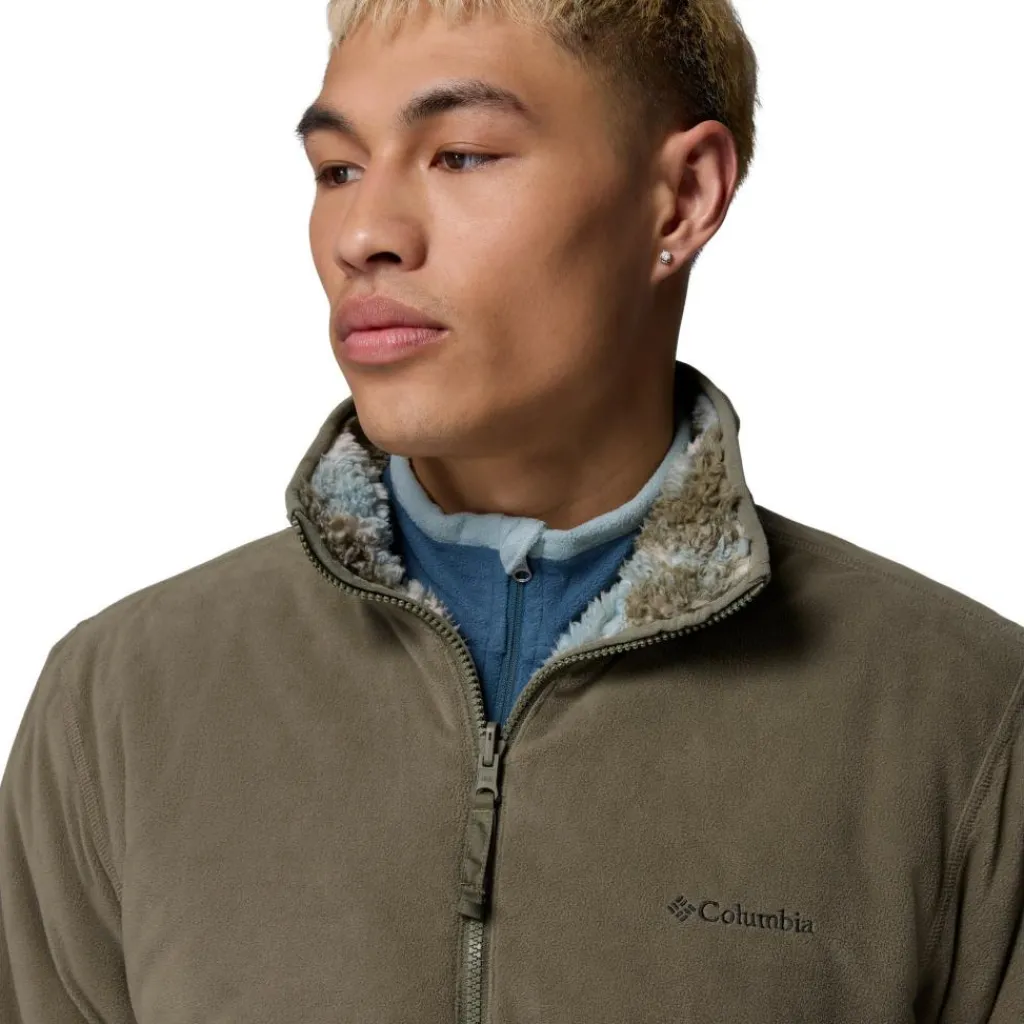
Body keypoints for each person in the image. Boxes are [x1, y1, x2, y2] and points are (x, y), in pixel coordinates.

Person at [2, 0, 1021, 1020]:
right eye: (337, 170)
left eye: (462, 156)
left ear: (681, 199)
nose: (364, 234)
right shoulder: (118, 706)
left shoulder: (965, 719)